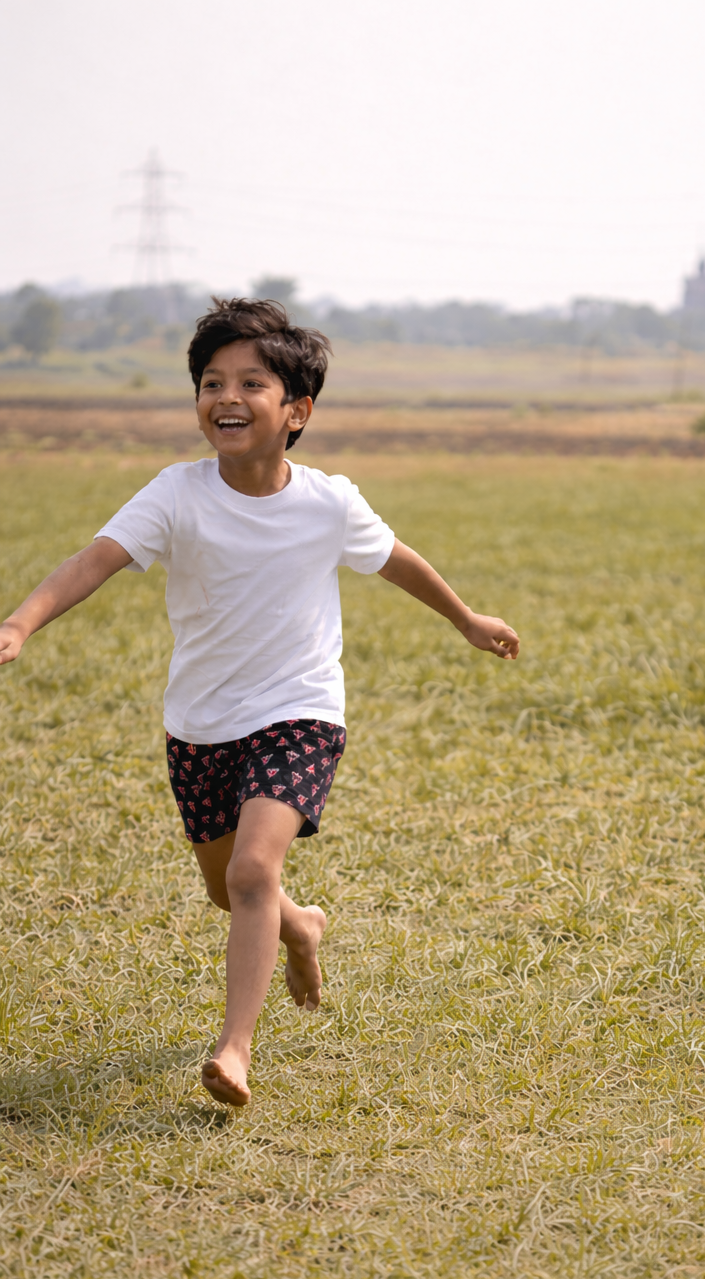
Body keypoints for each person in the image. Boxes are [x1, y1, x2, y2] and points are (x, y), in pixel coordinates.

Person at [0, 298, 519, 1108]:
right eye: (211, 382)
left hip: (300, 711)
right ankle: (301, 926)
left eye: (250, 381)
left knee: (251, 870)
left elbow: (396, 560)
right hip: (200, 724)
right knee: (230, 889)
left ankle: (234, 1047)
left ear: (297, 411)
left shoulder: (328, 502)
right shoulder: (175, 494)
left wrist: (467, 618)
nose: (226, 396)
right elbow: (92, 560)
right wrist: (21, 621)